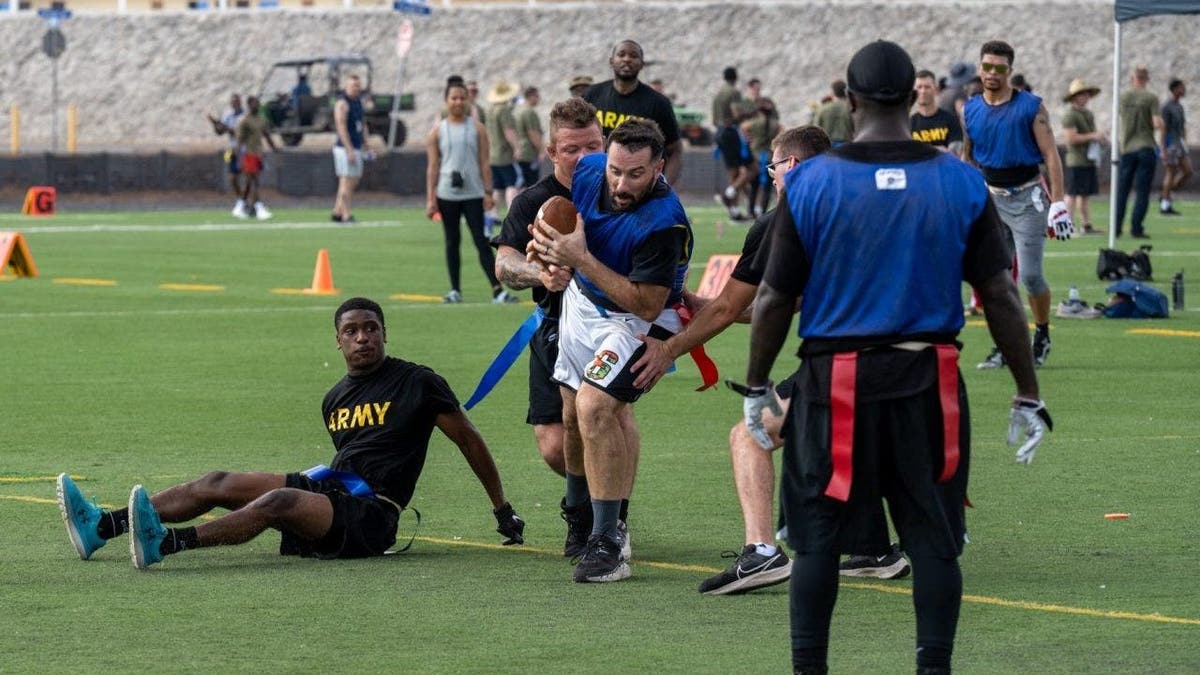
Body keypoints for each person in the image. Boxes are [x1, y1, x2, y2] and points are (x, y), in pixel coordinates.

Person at [739, 40, 1051, 674]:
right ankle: (932, 667)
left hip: (835, 383)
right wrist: (1027, 389)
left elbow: (773, 297)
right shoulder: (960, 179)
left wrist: (754, 387)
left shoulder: (813, 180)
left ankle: (810, 668)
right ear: (915, 97)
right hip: (926, 378)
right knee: (933, 541)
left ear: (848, 102)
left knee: (820, 541)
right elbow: (999, 294)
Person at [56, 297, 526, 569]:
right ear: (337, 340)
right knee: (219, 481)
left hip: (372, 517)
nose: (363, 337)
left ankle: (169, 544)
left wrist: (501, 508)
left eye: (372, 329)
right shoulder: (334, 398)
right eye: (352, 331)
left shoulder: (417, 382)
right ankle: (102, 526)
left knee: (277, 502)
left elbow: (467, 438)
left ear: (385, 334)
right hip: (332, 491)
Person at [631, 125, 839, 595]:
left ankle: (761, 552)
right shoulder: (862, 207)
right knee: (844, 442)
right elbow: (796, 300)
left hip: (843, 363)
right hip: (908, 362)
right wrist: (706, 307)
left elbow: (732, 308)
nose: (772, 176)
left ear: (794, 167)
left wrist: (667, 348)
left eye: (774, 166)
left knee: (749, 435)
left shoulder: (780, 221)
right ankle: (874, 550)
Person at [530, 118, 692, 583]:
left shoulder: (665, 222)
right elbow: (554, 225)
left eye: (636, 174)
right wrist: (544, 249)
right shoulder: (587, 170)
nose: (621, 183)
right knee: (569, 416)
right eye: (616, 171)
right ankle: (582, 520)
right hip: (582, 306)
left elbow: (646, 302)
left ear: (659, 167)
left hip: (636, 322)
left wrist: (579, 259)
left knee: (595, 406)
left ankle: (609, 541)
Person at [493, 97, 641, 557]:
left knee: (606, 413)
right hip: (554, 327)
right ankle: (597, 500)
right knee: (556, 444)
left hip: (613, 326)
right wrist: (541, 274)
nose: (584, 156)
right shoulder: (533, 202)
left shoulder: (617, 194)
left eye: (593, 145)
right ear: (553, 153)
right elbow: (504, 263)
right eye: (572, 148)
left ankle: (605, 520)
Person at [962, 40, 1073, 370]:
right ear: (980, 68)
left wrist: (1059, 201)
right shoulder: (970, 109)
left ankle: (1041, 335)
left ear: (1009, 70)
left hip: (1027, 198)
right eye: (987, 67)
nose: (992, 74)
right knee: (995, 280)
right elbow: (969, 157)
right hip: (991, 199)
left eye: (999, 68)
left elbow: (1051, 154)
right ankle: (1004, 345)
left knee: (1032, 276)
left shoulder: (1031, 107)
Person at [426, 80, 517, 305]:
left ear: (468, 100)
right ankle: (455, 289)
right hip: (447, 193)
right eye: (453, 98)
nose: (458, 102)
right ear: (446, 101)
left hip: (473, 193)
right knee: (451, 241)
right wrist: (430, 198)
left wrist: (488, 192)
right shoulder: (438, 131)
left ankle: (498, 290)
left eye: (461, 98)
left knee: (481, 241)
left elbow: (484, 163)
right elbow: (433, 166)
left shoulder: (477, 128)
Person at [583, 40, 684, 185]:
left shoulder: (659, 103)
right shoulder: (592, 96)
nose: (627, 59)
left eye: (633, 56)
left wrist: (665, 187)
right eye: (621, 54)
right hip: (597, 184)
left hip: (639, 187)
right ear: (612, 61)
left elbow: (675, 150)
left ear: (642, 64)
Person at [1114, 66, 1162, 238]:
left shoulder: (1123, 97)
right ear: (1146, 79)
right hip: (1146, 146)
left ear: (1132, 78)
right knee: (1142, 191)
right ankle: (1136, 228)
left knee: (1122, 191)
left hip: (1127, 148)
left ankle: (1116, 227)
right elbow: (1156, 123)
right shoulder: (1151, 98)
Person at [1060, 78, 1106, 235]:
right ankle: (1066, 225)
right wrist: (1093, 136)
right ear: (1075, 97)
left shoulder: (1087, 114)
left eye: (1087, 94)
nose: (1086, 97)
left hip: (1087, 160)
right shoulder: (1070, 115)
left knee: (1084, 195)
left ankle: (1086, 225)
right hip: (1076, 161)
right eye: (1082, 94)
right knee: (1072, 194)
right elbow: (1070, 138)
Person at [712, 66, 755, 221]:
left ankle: (735, 211)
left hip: (719, 133)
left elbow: (713, 119)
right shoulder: (734, 92)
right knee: (752, 168)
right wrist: (751, 113)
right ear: (735, 77)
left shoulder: (718, 94)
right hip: (731, 132)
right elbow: (736, 113)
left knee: (734, 172)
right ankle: (729, 192)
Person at [332, 75, 372, 224]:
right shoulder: (343, 103)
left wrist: (366, 144)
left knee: (353, 180)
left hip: (356, 146)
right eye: (353, 85)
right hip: (344, 148)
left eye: (358, 86)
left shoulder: (358, 103)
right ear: (347, 87)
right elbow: (341, 126)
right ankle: (346, 214)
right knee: (346, 180)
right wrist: (348, 149)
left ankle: (337, 211)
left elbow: (362, 124)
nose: (357, 88)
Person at [233, 96, 278, 221]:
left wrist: (275, 148)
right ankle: (258, 207)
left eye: (258, 104)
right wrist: (237, 155)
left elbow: (266, 135)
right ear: (249, 105)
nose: (257, 106)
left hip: (259, 154)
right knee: (254, 181)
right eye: (254, 104)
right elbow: (240, 140)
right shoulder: (245, 121)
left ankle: (240, 205)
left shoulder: (262, 120)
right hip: (249, 153)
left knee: (249, 182)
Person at [485, 80, 522, 218]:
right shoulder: (504, 110)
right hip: (504, 154)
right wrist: (517, 147)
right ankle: (512, 214)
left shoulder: (490, 110)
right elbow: (509, 131)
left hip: (492, 154)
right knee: (511, 183)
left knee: (497, 187)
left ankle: (493, 214)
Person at [206, 93, 245, 217]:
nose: (234, 103)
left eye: (236, 101)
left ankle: (251, 201)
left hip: (245, 150)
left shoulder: (245, 115)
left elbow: (237, 132)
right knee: (232, 177)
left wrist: (224, 126)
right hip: (232, 149)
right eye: (232, 102)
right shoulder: (228, 114)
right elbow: (221, 132)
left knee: (249, 177)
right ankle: (241, 200)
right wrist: (215, 124)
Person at [742, 97, 782, 216]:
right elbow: (783, 132)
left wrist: (748, 139)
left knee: (754, 186)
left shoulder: (754, 123)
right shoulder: (776, 125)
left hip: (756, 157)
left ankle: (751, 211)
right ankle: (763, 212)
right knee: (767, 188)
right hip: (769, 157)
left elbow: (743, 127)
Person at [911, 70, 963, 154]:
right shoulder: (909, 124)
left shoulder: (950, 120)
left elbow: (956, 153)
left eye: (927, 87)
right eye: (919, 87)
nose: (923, 91)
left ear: (936, 89)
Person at [1160, 79, 1191, 216]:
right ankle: (1165, 206)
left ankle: (1166, 195)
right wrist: (1163, 148)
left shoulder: (1180, 106)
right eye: (1182, 87)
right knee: (1170, 173)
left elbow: (1183, 127)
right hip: (1170, 143)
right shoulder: (1167, 107)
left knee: (1188, 172)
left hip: (1179, 144)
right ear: (1176, 89)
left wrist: (1185, 141)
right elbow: (1163, 129)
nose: (1184, 90)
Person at [514, 86, 545, 188]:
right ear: (530, 96)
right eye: (536, 96)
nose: (538, 98)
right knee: (531, 185)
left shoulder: (519, 111)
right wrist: (541, 150)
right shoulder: (529, 112)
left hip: (521, 152)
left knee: (523, 182)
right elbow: (532, 133)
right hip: (529, 153)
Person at [813, 80, 853, 144]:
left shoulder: (823, 109)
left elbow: (815, 130)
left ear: (832, 93)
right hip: (850, 145)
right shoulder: (852, 107)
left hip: (829, 147)